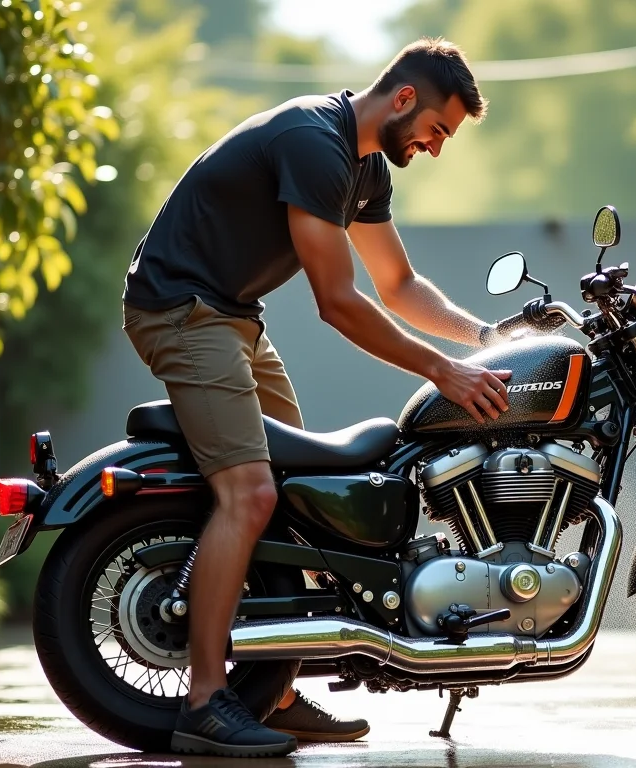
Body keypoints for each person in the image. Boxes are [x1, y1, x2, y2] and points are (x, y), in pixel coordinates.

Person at [120, 37, 511, 758]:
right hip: (180, 310)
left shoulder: (365, 168)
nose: (435, 146)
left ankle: (274, 692)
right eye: (437, 129)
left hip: (231, 318)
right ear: (402, 99)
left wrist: (484, 339)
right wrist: (441, 372)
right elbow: (339, 302)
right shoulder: (314, 141)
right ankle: (207, 702)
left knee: (303, 497)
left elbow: (400, 286)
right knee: (251, 494)